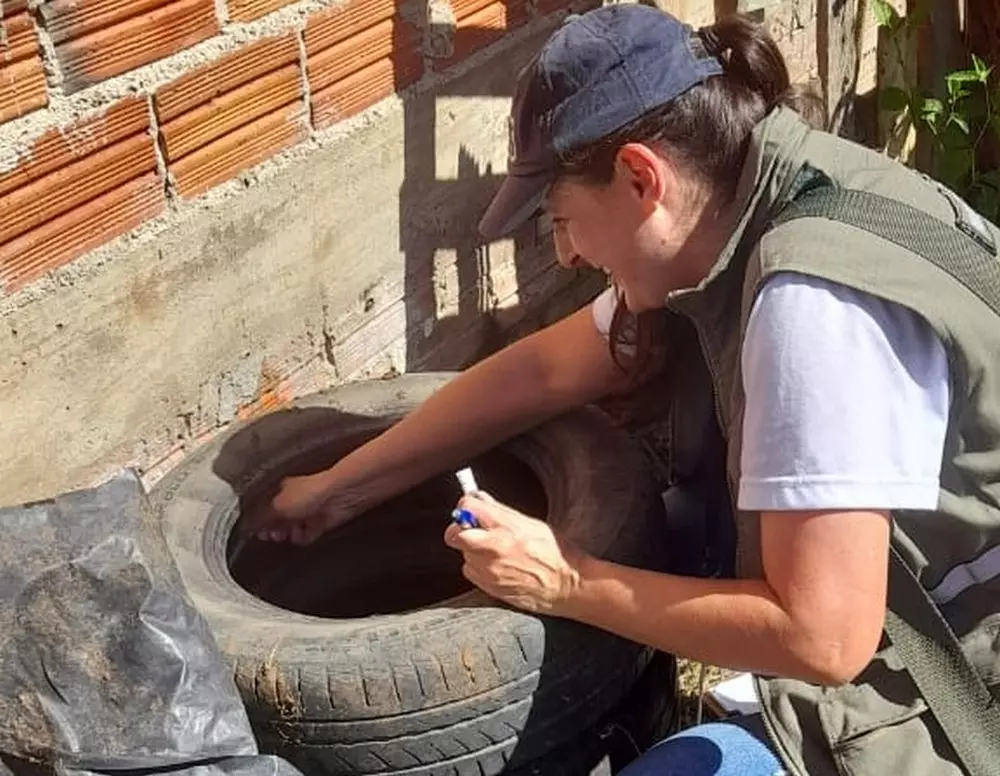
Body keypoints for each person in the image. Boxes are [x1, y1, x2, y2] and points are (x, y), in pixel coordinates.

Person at [249, 5, 1000, 776]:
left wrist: (566, 578)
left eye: (564, 219)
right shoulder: (750, 198)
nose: (567, 254)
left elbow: (822, 640)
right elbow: (538, 374)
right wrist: (337, 490)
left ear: (642, 177)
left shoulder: (811, 306)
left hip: (960, 684)